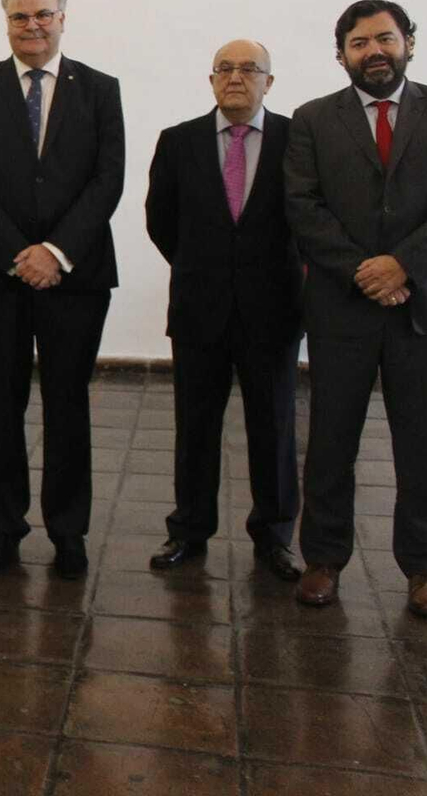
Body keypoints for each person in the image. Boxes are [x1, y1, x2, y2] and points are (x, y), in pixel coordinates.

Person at [284, 0, 427, 617]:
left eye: (385, 39)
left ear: (409, 43)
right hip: (343, 305)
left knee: (425, 442)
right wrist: (365, 271)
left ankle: (425, 567)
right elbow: (304, 205)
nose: (374, 51)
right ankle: (323, 559)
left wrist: (403, 265)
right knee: (330, 440)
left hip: (421, 303)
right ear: (340, 54)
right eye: (359, 42)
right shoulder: (313, 119)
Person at [0, 0, 124, 580]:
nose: (32, 26)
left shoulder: (101, 90)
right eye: (20, 17)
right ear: (6, 22)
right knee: (2, 404)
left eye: (43, 15)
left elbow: (109, 180)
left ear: (62, 18)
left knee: (67, 404)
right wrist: (19, 253)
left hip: (75, 278)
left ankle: (68, 532)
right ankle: (5, 527)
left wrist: (54, 251)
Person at [144, 40, 302, 582]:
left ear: (270, 82)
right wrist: (203, 267)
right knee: (194, 426)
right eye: (225, 69)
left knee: (274, 426)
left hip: (274, 309)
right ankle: (188, 529)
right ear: (211, 79)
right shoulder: (178, 141)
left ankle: (275, 536)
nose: (236, 77)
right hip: (199, 308)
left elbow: (309, 218)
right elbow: (160, 220)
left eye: (249, 69)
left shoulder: (295, 140)